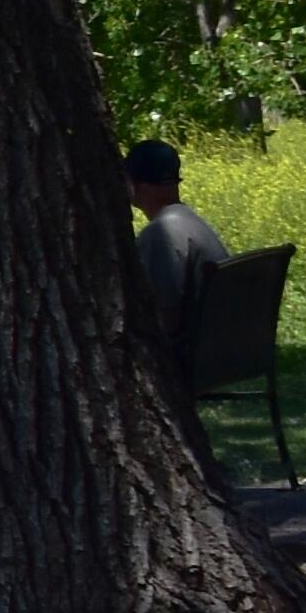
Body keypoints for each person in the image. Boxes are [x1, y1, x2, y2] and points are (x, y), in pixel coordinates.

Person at [126, 137, 233, 443]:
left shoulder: (161, 233)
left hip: (192, 357)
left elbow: (165, 316)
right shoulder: (190, 221)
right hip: (223, 352)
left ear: (137, 186)